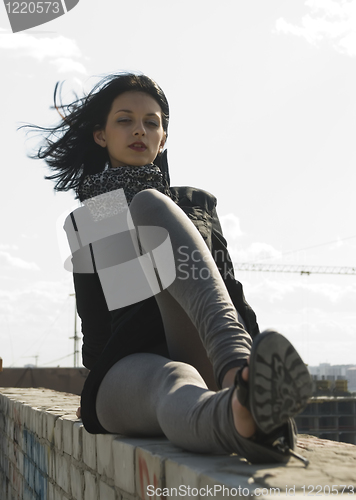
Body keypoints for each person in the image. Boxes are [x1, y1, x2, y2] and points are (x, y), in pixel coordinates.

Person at [31, 72, 312, 465]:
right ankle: (240, 419)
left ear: (164, 137)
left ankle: (241, 374)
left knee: (149, 203)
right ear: (101, 135)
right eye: (125, 120)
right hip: (130, 367)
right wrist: (94, 386)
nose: (140, 131)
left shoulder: (194, 204)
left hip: (204, 345)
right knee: (173, 380)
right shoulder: (92, 219)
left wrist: (255, 364)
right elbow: (96, 328)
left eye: (152, 122)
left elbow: (229, 292)